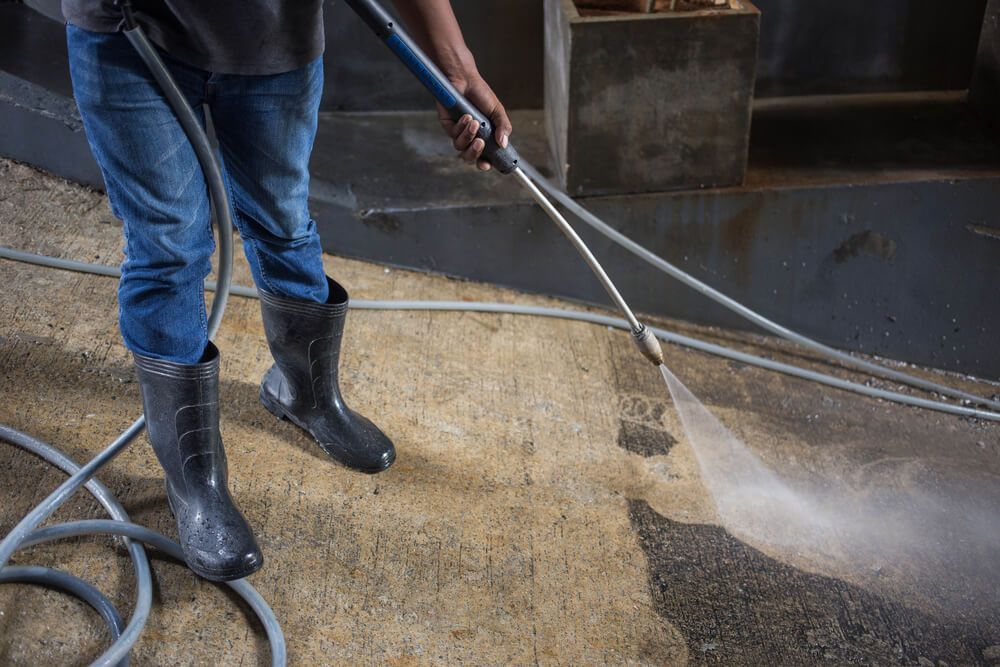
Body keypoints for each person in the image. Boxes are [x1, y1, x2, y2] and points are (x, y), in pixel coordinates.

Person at [61, 0, 512, 582]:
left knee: (283, 220)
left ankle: (306, 394)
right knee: (169, 247)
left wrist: (455, 65)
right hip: (129, 31)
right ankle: (196, 482)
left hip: (273, 37)